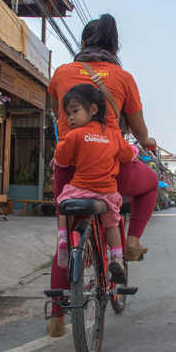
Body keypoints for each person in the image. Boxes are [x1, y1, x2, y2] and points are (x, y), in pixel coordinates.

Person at [46, 14, 158, 337]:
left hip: (69, 168)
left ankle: (56, 317)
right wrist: (147, 140)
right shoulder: (123, 77)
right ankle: (132, 242)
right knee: (148, 184)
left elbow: (60, 114)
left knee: (64, 233)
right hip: (111, 167)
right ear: (114, 46)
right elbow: (138, 130)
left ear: (82, 43)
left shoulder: (61, 73)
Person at [55, 84, 137, 288]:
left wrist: (57, 155)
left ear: (92, 109)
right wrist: (134, 149)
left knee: (64, 202)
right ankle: (117, 257)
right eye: (67, 114)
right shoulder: (113, 135)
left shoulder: (74, 135)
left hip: (80, 189)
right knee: (111, 223)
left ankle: (63, 238)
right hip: (107, 193)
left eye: (75, 111)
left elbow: (62, 159)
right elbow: (127, 154)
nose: (70, 118)